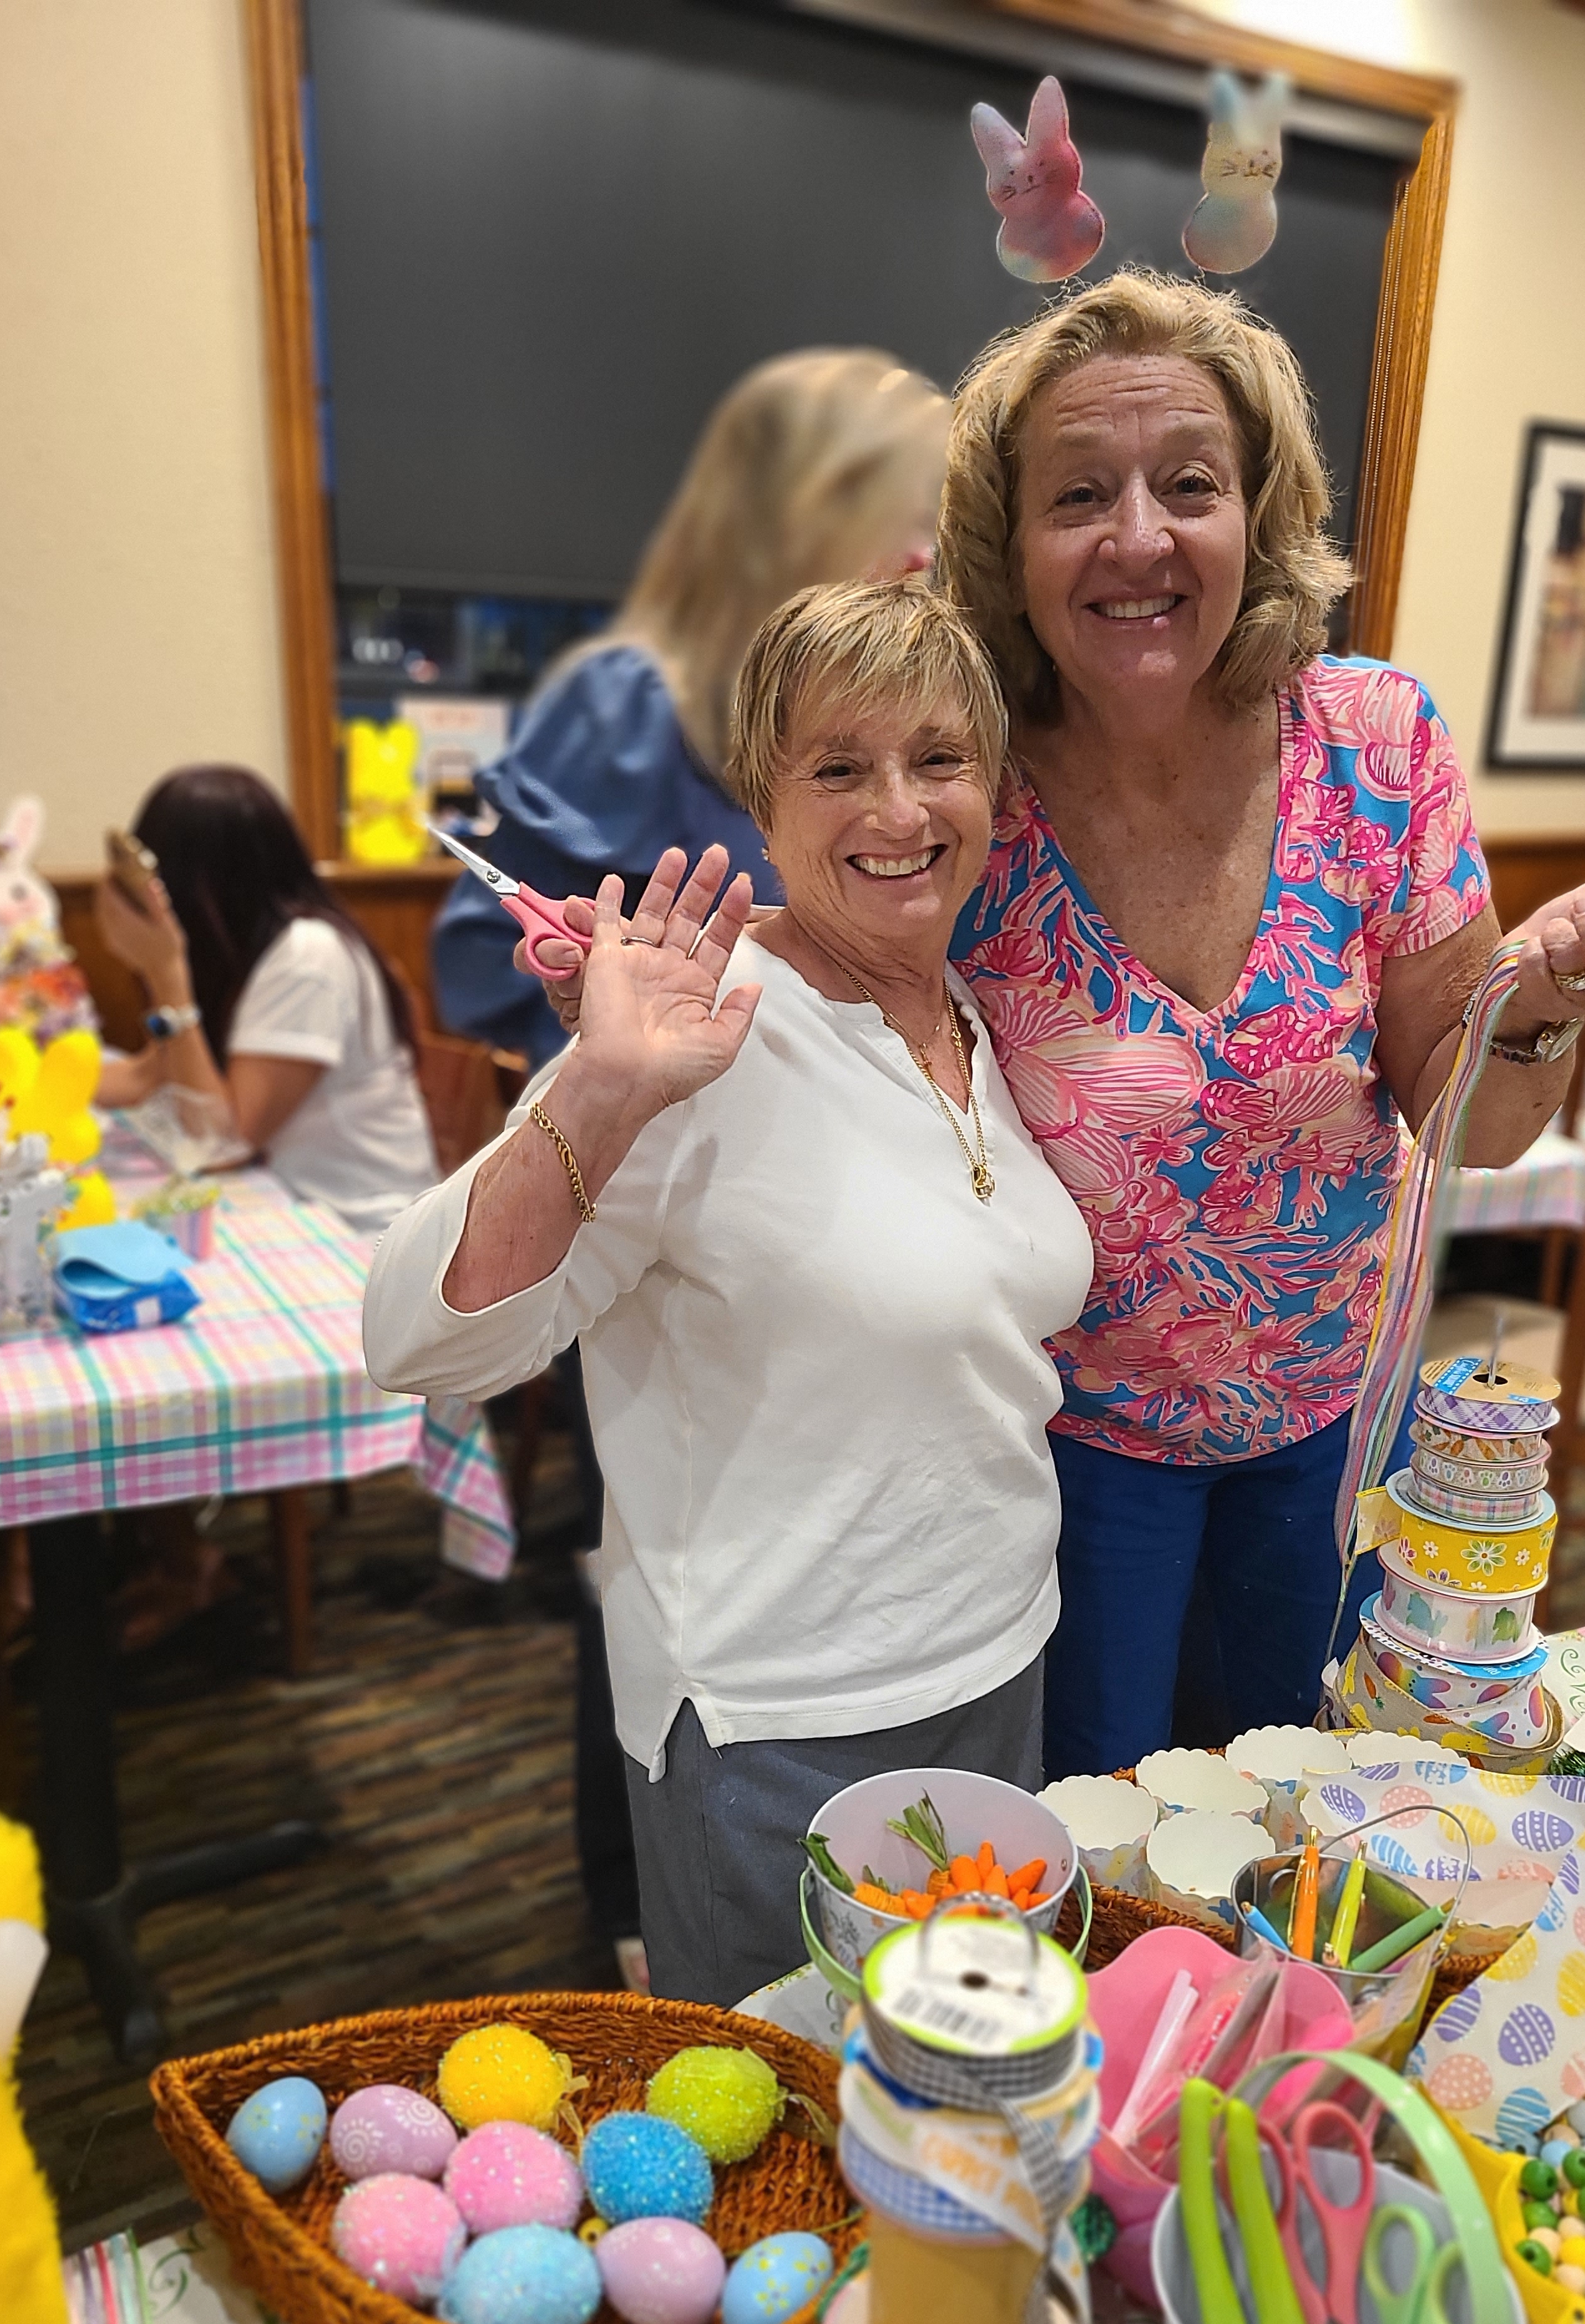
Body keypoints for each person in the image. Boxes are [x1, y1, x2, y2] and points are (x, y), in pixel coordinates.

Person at [928, 269, 1585, 1774]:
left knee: (1308, 1795)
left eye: (1190, 484)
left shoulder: (1375, 741)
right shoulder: (964, 785)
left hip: (1329, 1427)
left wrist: (1539, 1000)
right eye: (1078, 493)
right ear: (1009, 545)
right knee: (1095, 1817)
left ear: (1258, 514)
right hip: (1061, 1446)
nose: (1138, 537)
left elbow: (1471, 1121)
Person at [365, 580, 1094, 2005]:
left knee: (950, 2087)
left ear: (995, 788)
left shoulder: (972, 1011)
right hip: (780, 1725)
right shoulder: (702, 1031)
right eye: (839, 768)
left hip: (998, 1662)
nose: (899, 809)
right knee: (786, 2119)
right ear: (762, 801)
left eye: (938, 759)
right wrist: (600, 1092)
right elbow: (415, 1337)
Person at [431, 346, 948, 1981]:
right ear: (797, 508)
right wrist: (584, 976)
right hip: (672, 1202)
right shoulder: (629, 700)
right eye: (907, 510)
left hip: (851, 1190)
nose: (932, 549)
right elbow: (465, 948)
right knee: (663, 1557)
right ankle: (637, 1910)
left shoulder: (898, 707)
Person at [433, 347, 951, 1068]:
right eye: (890, 518)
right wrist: (611, 984)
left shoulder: (932, 714)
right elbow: (480, 966)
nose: (922, 557)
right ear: (791, 522)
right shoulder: (623, 711)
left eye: (928, 521)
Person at [96, 765, 436, 1240]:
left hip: (363, 1232)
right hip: (288, 1206)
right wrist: (9, 1093)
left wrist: (165, 973)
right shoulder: (242, 954)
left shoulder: (308, 959)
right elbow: (146, 1075)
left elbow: (222, 1144)